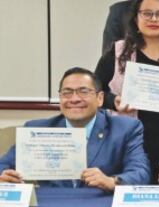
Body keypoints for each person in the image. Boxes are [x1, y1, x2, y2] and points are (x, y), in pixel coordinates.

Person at [95, 0, 159, 176]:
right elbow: (94, 91)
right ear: (136, 19)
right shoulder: (118, 52)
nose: (153, 19)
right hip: (128, 141)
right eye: (147, 13)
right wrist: (113, 101)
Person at [0, 67, 149, 190]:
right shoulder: (37, 129)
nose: (74, 99)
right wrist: (4, 177)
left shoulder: (125, 128)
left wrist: (111, 182)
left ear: (100, 98)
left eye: (83, 92)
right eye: (67, 93)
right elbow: (3, 165)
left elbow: (140, 172)